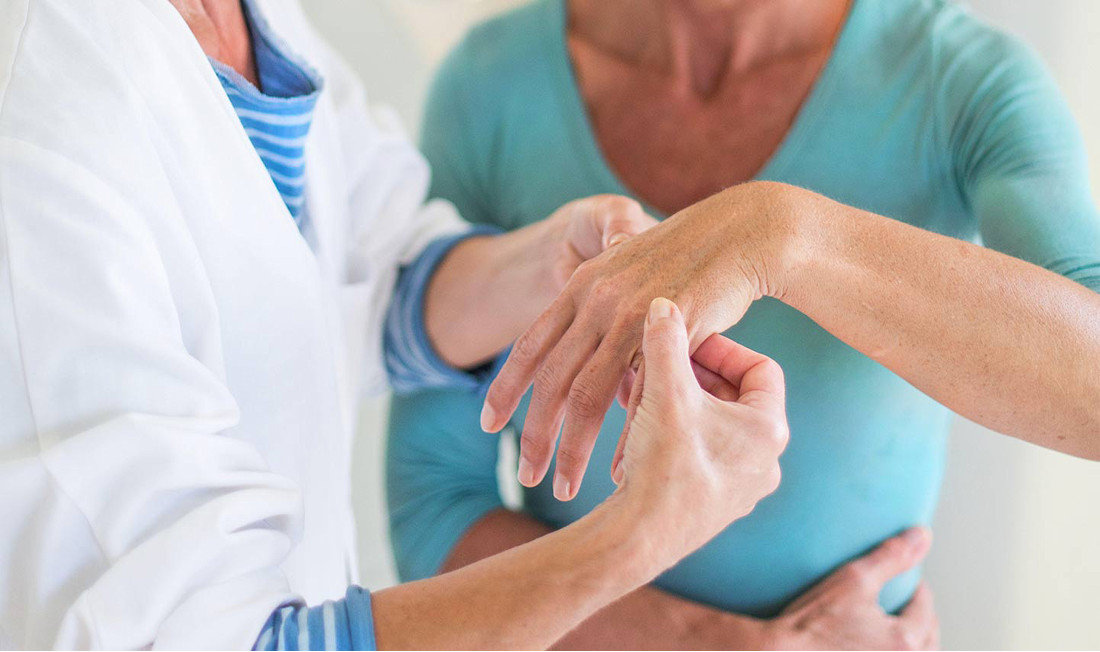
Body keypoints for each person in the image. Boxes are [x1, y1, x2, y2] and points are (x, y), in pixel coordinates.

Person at [0, 0, 791, 648]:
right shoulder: (41, 105)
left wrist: (555, 268)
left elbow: (360, 276)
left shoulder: (253, 19)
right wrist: (643, 533)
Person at [387, 0, 1100, 647]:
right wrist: (724, 645)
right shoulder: (492, 84)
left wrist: (785, 236)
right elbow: (434, 505)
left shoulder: (962, 77)